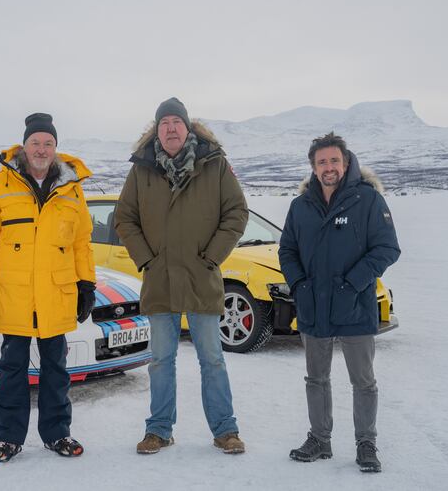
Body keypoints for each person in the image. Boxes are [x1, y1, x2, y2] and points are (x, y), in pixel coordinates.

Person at [114, 97, 249, 455]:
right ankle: (159, 430)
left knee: (213, 359)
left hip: (201, 276)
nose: (171, 128)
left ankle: (225, 430)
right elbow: (124, 218)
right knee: (160, 360)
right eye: (164, 123)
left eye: (177, 121)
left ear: (187, 128)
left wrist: (213, 256)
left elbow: (236, 212)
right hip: (159, 279)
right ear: (156, 131)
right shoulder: (142, 169)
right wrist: (147, 259)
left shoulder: (214, 165)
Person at [0, 112, 97, 463]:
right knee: (12, 368)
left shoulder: (72, 188)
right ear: (24, 146)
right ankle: (8, 438)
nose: (41, 149)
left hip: (56, 292)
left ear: (56, 148)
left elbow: (81, 241)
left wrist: (87, 283)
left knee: (56, 368)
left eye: (48, 143)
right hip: (16, 293)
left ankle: (58, 434)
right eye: (35, 142)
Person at [278, 132, 400, 473]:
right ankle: (320, 439)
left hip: (355, 306)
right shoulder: (300, 206)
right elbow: (287, 250)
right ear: (313, 168)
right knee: (315, 378)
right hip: (314, 306)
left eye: (334, 160)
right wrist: (299, 284)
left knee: (363, 380)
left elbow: (388, 248)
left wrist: (353, 283)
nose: (328, 167)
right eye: (321, 162)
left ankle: (366, 443)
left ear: (345, 163)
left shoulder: (368, 200)